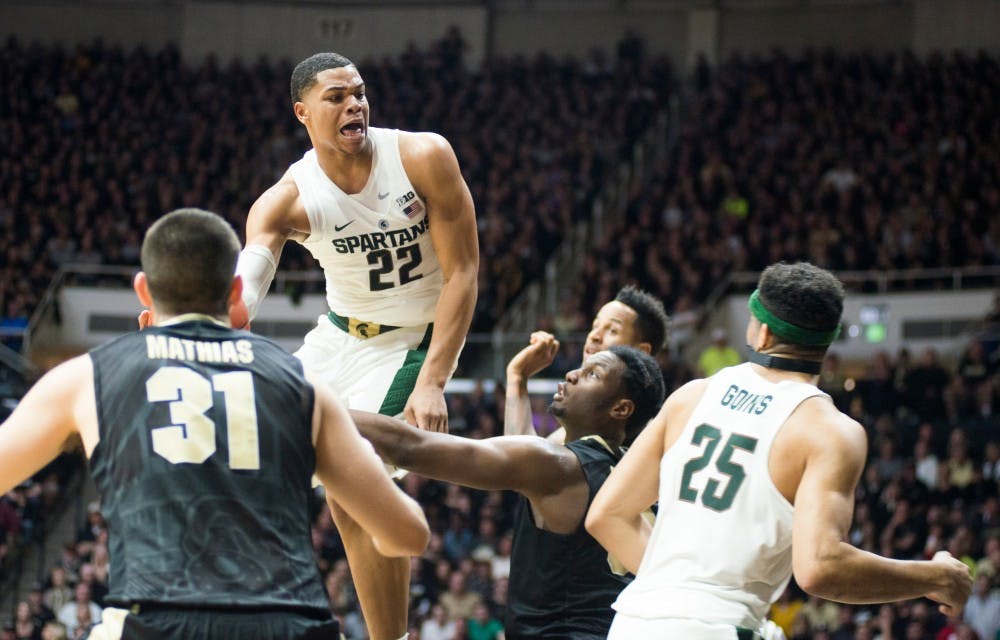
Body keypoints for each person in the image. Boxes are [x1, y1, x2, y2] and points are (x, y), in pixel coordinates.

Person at [0, 208, 429, 639]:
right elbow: (408, 536)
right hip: (288, 626)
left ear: (143, 291)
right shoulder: (303, 384)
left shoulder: (89, 376)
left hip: (156, 622)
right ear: (236, 290)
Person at [586, 262, 973, 639]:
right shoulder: (830, 431)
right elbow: (820, 568)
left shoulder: (692, 395)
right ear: (826, 341)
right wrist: (936, 576)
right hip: (720, 624)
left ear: (763, 334)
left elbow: (605, 515)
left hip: (635, 621)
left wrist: (675, 588)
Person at [235, 51, 478, 640]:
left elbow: (465, 272)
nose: (355, 105)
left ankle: (387, 636)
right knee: (248, 453)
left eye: (360, 93)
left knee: (353, 477)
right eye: (337, 97)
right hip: (336, 338)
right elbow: (247, 286)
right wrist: (205, 324)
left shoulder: (422, 156)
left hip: (410, 341)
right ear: (302, 112)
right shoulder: (286, 199)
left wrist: (433, 380)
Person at [352, 345, 666, 639]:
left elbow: (410, 447)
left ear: (621, 408)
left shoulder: (561, 467)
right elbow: (524, 458)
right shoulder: (631, 477)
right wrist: (516, 379)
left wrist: (314, 405)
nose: (572, 374)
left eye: (592, 375)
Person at [504, 285, 670, 443]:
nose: (594, 336)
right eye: (595, 326)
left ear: (641, 352)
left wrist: (517, 376)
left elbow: (516, 461)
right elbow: (522, 458)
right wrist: (518, 376)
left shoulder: (641, 436)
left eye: (612, 330)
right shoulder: (585, 423)